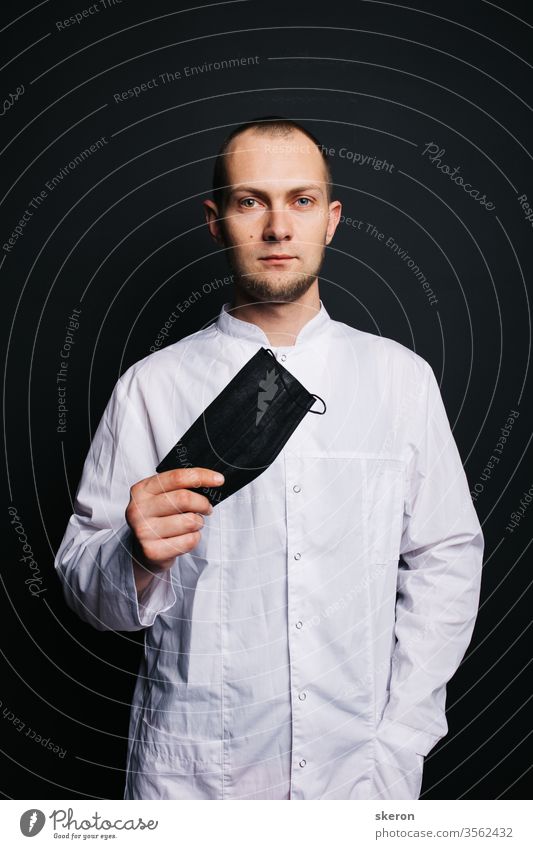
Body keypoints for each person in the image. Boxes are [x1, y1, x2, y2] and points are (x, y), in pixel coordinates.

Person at [54, 116, 484, 800]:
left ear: (331, 219)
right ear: (215, 219)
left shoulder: (400, 379)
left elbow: (446, 556)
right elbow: (84, 585)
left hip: (359, 777)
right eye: (251, 201)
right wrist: (131, 554)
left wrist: (402, 730)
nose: (278, 227)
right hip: (193, 781)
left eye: (301, 200)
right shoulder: (151, 387)